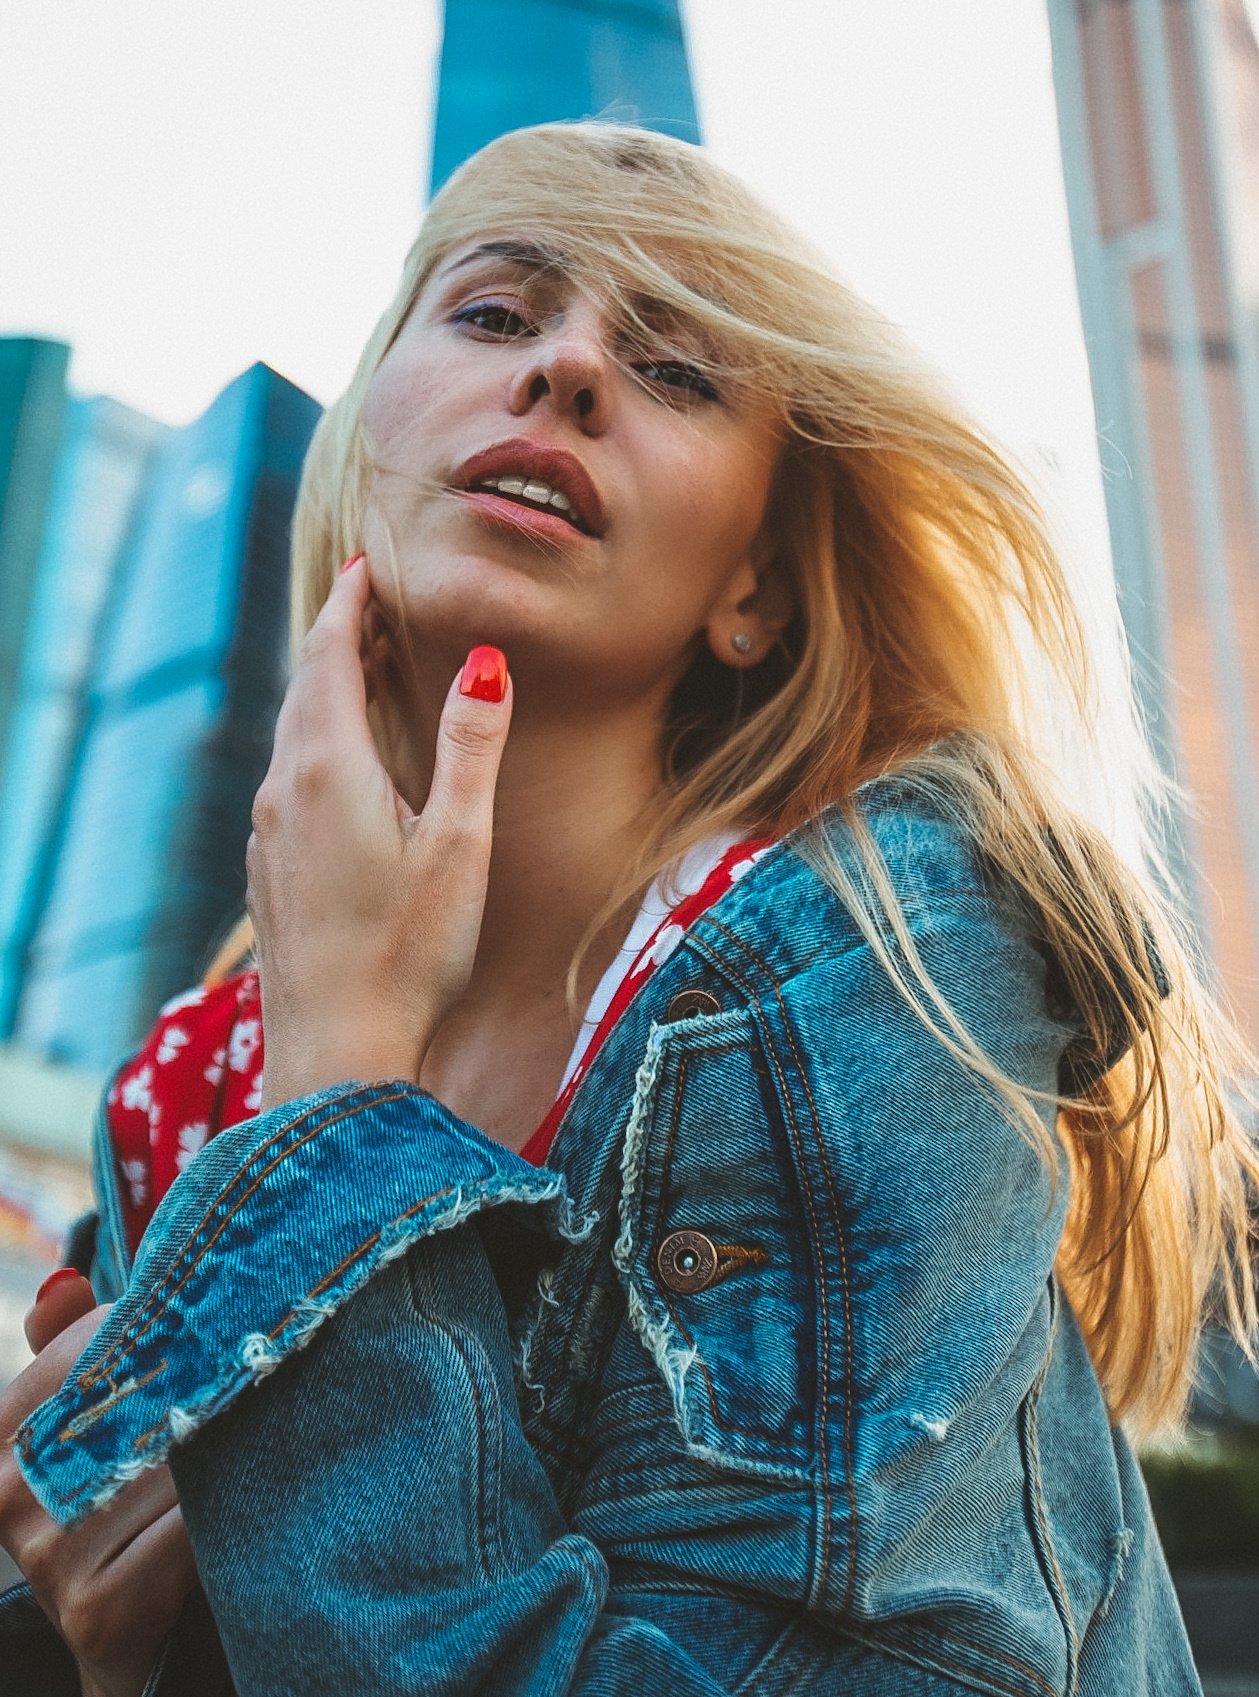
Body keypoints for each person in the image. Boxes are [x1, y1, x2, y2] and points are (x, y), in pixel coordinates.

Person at [1, 122, 1256, 1697]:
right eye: (495, 312)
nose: (571, 366)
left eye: (675, 368)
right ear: (364, 442)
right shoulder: (182, 1095)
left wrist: (339, 1098)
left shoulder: (868, 968)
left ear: (754, 592)